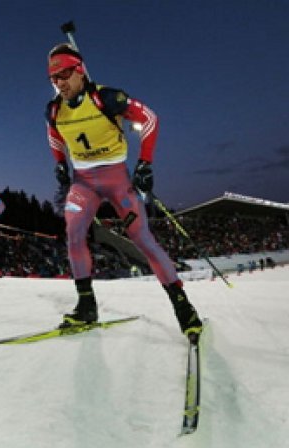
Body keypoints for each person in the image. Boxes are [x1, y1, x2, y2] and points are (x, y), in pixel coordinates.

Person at [44, 43, 202, 340]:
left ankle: (183, 308)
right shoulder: (54, 110)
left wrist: (145, 164)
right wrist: (60, 165)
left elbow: (150, 120)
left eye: (63, 74)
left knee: (142, 238)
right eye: (53, 78)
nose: (59, 83)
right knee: (74, 232)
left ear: (79, 71)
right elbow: (53, 137)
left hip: (117, 179)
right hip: (83, 182)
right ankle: (86, 306)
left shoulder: (107, 98)